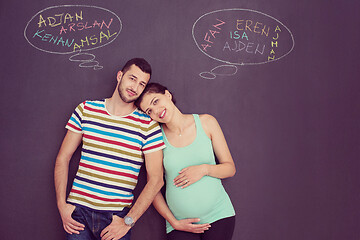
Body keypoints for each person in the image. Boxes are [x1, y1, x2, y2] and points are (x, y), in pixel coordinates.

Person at [54, 58, 165, 240]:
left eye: (141, 84)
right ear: (120, 76)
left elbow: (156, 179)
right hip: (78, 214)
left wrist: (128, 221)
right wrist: (61, 205)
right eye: (132, 78)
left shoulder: (148, 126)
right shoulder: (86, 110)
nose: (135, 87)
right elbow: (63, 158)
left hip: (116, 218)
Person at [135, 83, 236, 240]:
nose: (156, 111)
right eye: (149, 111)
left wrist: (204, 169)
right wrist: (173, 222)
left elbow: (230, 168)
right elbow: (153, 189)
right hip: (180, 224)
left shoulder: (207, 122)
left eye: (156, 101)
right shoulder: (155, 140)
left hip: (219, 216)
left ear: (167, 95)